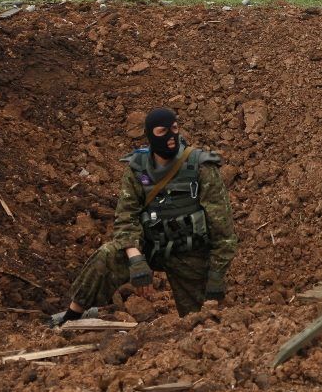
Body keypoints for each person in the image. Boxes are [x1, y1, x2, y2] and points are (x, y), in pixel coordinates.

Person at [49, 108, 238, 326]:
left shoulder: (200, 166)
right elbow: (126, 217)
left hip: (190, 253)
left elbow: (222, 229)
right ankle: (71, 317)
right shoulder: (138, 168)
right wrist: (136, 258)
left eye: (175, 129)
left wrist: (216, 275)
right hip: (151, 247)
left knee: (199, 322)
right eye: (163, 131)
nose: (171, 137)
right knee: (107, 255)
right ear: (150, 135)